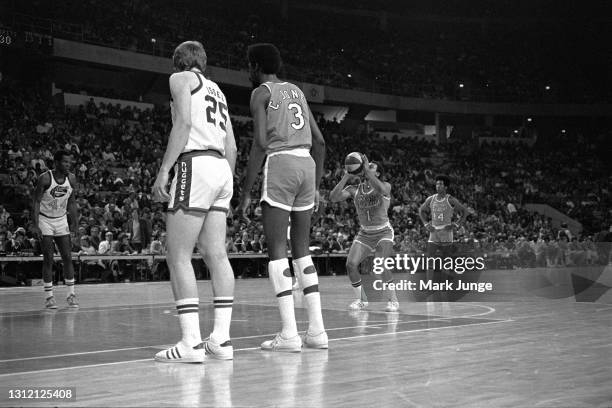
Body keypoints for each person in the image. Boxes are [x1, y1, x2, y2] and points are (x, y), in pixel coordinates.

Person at [237, 43, 327, 352]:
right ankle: (317, 332)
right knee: (302, 250)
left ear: (255, 66)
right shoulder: (298, 92)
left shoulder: (261, 93)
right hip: (307, 165)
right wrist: (315, 184)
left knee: (277, 251)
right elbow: (320, 141)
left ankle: (289, 334)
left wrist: (246, 190)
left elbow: (261, 145)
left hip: (281, 163)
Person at [152, 41, 237, 363]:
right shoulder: (219, 91)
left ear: (178, 63)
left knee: (178, 256)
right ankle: (221, 340)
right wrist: (223, 183)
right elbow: (232, 147)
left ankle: (190, 343)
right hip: (220, 168)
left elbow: (184, 124)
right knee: (217, 254)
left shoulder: (180, 79)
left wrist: (164, 170)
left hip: (196, 163)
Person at [329, 155, 399, 312]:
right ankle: (361, 300)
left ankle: (393, 300)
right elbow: (333, 198)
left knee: (379, 265)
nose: (367, 167)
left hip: (383, 232)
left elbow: (381, 190)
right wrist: (346, 176)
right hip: (365, 233)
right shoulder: (354, 189)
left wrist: (367, 171)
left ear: (378, 174)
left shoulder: (385, 186)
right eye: (366, 166)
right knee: (351, 265)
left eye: (372, 167)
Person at [32, 150, 79, 309]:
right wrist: (35, 223)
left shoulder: (71, 178)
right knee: (49, 258)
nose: (68, 164)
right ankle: (49, 297)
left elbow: (72, 202)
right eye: (65, 161)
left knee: (67, 256)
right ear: (57, 162)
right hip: (45, 219)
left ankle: (71, 295)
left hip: (61, 220)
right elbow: (36, 201)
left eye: (69, 162)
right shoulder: (45, 178)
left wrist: (75, 224)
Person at [418, 175, 468, 295]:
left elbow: (465, 212)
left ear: (446, 187)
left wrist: (456, 225)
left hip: (446, 232)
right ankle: (429, 285)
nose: (438, 186)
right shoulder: (431, 199)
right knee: (430, 259)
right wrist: (425, 224)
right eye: (437, 184)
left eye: (440, 184)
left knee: (446, 261)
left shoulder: (450, 199)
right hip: (434, 231)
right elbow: (421, 210)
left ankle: (445, 285)